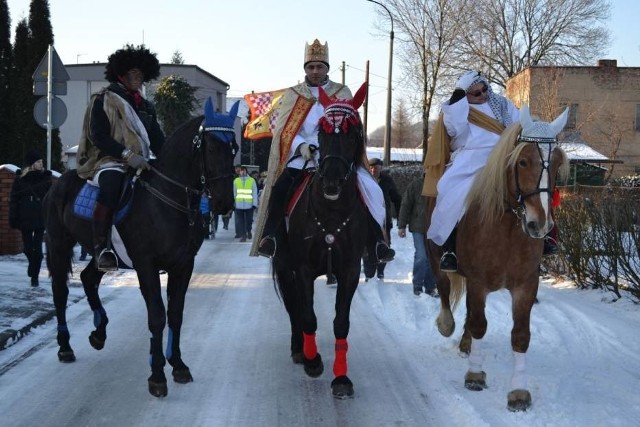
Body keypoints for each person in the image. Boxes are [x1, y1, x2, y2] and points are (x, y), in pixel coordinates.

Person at [251, 38, 394, 264]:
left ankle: (377, 242)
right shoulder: (293, 95)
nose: (315, 71)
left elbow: (354, 127)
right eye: (310, 67)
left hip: (338, 155)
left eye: (320, 66)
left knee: (371, 189)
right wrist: (301, 146)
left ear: (327, 68)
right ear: (305, 69)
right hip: (304, 157)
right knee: (280, 189)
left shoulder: (342, 92)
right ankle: (270, 236)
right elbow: (284, 131)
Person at [76, 44, 165, 271]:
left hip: (142, 161)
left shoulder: (146, 106)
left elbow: (157, 140)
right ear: (121, 73)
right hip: (108, 160)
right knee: (112, 186)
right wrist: (126, 155)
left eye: (142, 74)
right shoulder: (103, 100)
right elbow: (98, 136)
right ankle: (101, 249)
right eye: (134, 73)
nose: (139, 78)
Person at [426, 70, 520, 273]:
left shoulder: (503, 104)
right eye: (476, 93)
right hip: (470, 162)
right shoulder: (458, 111)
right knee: (451, 192)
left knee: (536, 185)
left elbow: (520, 123)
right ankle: (449, 248)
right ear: (465, 96)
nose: (483, 95)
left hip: (505, 158)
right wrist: (459, 94)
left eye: (484, 89)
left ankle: (546, 237)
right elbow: (453, 128)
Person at [9, 151, 53, 287]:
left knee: (38, 251)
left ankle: (35, 277)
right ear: (32, 164)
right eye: (39, 162)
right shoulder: (20, 179)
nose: (42, 164)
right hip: (25, 216)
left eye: (42, 162)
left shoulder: (45, 179)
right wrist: (14, 216)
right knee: (28, 248)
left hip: (40, 216)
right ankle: (32, 265)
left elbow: (50, 198)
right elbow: (14, 200)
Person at [398, 175, 438, 297]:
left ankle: (430, 286)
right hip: (418, 227)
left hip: (435, 228)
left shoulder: (441, 184)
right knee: (421, 256)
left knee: (432, 258)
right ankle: (417, 285)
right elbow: (406, 205)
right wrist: (401, 225)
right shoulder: (416, 185)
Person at [363, 158, 401, 281]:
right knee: (367, 246)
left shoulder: (387, 181)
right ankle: (369, 272)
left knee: (384, 244)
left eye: (377, 168)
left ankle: (380, 270)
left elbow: (396, 198)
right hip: (367, 219)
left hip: (384, 220)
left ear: (381, 169)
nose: (374, 170)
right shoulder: (364, 180)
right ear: (368, 168)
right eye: (372, 167)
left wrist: (400, 218)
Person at [233, 165, 258, 242]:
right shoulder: (236, 181)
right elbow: (234, 193)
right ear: (239, 172)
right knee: (241, 222)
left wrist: (254, 204)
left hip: (249, 205)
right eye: (241, 170)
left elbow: (254, 193)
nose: (242, 172)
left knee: (249, 221)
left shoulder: (252, 180)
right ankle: (244, 235)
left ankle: (249, 231)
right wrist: (234, 203)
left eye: (244, 170)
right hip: (239, 205)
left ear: (246, 171)